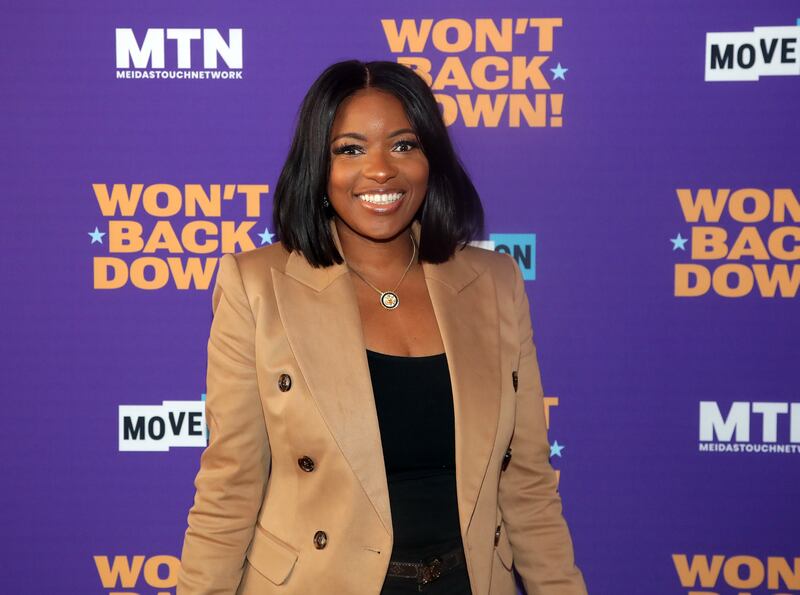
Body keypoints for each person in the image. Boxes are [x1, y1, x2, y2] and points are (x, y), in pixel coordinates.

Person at [177, 59, 587, 595]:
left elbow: (528, 486)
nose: (380, 171)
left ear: (430, 161)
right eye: (350, 149)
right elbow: (229, 486)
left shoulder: (495, 282)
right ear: (318, 169)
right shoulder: (257, 287)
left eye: (402, 145)